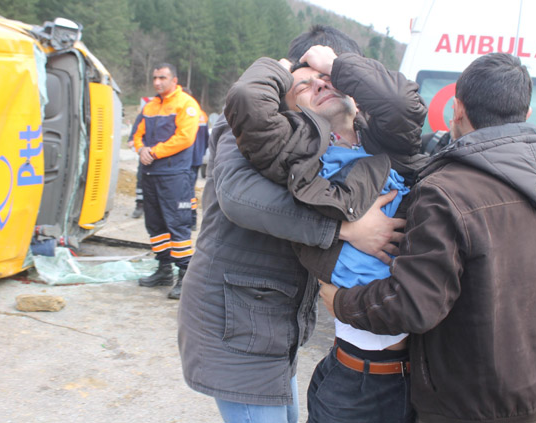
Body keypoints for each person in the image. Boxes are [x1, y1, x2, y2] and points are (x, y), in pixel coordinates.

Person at [178, 25, 426, 423]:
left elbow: (402, 108)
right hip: (236, 319)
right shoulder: (255, 128)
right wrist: (346, 229)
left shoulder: (348, 137)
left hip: (276, 324)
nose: (322, 85)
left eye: (332, 75)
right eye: (307, 79)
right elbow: (238, 196)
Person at [320, 52, 536, 423]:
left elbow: (412, 304)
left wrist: (342, 302)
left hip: (468, 404)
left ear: (457, 109)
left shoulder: (446, 191)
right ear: (526, 113)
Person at [131, 63, 200, 300]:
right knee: (155, 225)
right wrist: (141, 150)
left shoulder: (186, 104)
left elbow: (184, 138)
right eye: (155, 78)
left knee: (178, 224)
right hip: (150, 175)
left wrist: (153, 152)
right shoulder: (149, 106)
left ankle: (184, 274)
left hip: (174, 176)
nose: (157, 82)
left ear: (174, 80)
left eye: (162, 77)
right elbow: (136, 135)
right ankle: (163, 269)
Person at [182, 87, 209, 231]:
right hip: (196, 158)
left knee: (183, 191)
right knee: (189, 190)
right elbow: (206, 139)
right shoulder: (202, 114)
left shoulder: (184, 113)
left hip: (184, 159)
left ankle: (189, 219)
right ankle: (192, 219)